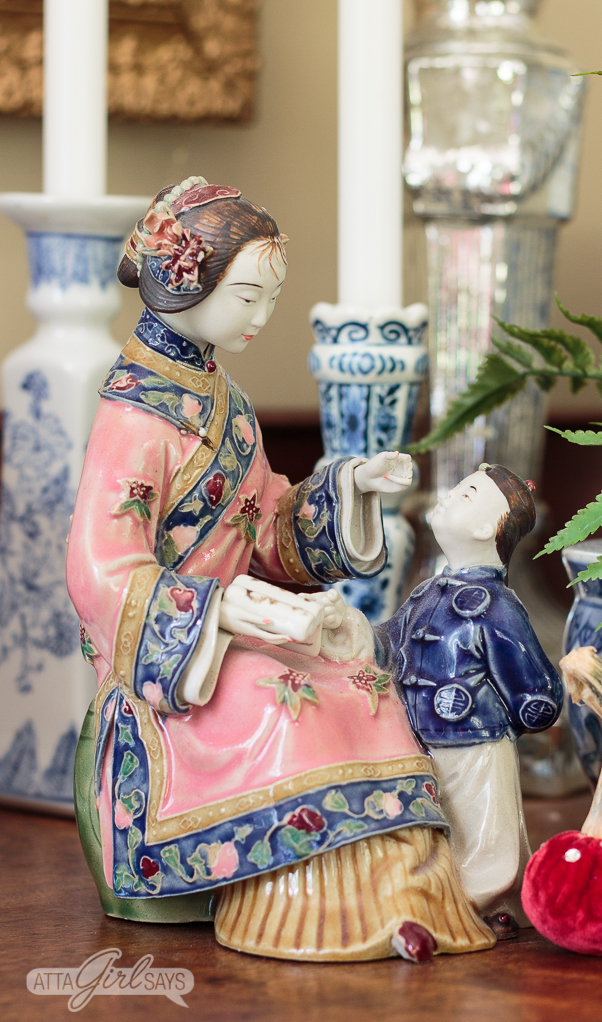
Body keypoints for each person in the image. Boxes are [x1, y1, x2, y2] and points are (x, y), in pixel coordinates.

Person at [66, 177, 495, 962]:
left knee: (366, 683)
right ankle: (300, 906)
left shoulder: (225, 402)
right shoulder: (134, 416)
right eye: (249, 298)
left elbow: (263, 524)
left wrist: (347, 490)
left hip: (242, 630)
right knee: (280, 698)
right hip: (174, 670)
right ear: (183, 280)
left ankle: (390, 889)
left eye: (270, 299)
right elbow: (98, 566)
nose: (263, 320)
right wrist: (216, 614)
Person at [328, 464, 563, 936]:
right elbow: (390, 642)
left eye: (468, 492)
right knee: (439, 825)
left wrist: (524, 712)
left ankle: (479, 901)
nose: (452, 494)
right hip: (418, 735)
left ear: (484, 528)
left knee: (483, 831)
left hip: (475, 740)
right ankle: (438, 895)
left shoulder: (498, 606)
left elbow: (536, 687)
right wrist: (347, 626)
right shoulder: (429, 590)